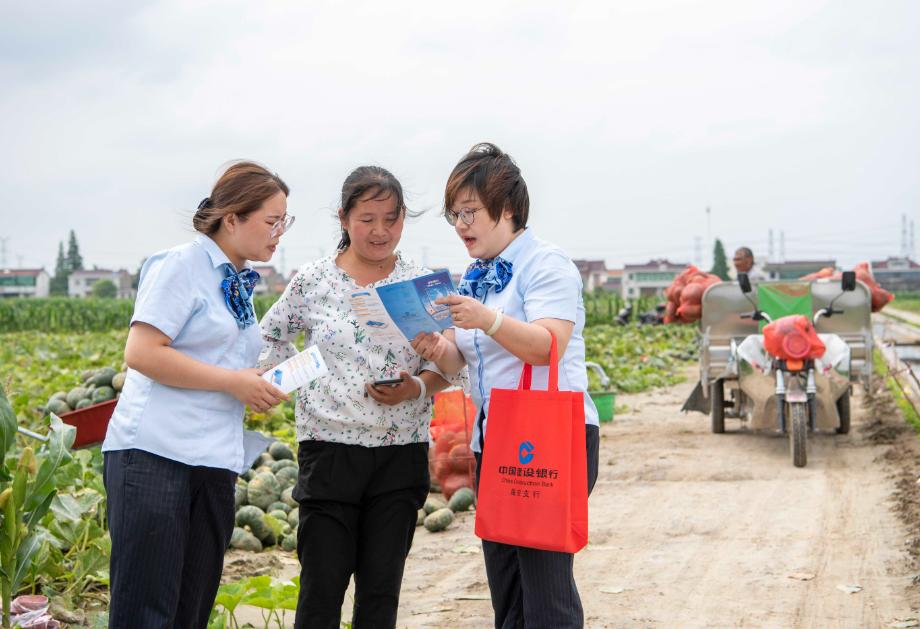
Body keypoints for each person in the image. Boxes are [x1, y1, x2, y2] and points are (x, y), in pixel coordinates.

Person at [412, 142, 600, 628]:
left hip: (550, 437)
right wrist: (436, 348)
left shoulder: (546, 263)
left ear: (509, 208)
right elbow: (461, 358)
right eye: (454, 214)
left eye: (470, 211)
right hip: (494, 438)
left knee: (545, 588)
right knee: (506, 584)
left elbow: (547, 347)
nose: (461, 225)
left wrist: (488, 319)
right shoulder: (474, 276)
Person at [259, 166, 453, 629]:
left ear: (404, 218)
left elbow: (452, 361)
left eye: (391, 218)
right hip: (328, 453)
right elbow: (270, 339)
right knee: (322, 591)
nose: (380, 231)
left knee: (381, 593)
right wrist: (296, 379)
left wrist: (419, 385)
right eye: (367, 218)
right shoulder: (313, 281)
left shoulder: (423, 285)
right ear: (344, 218)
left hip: (400, 453)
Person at [102, 161, 293, 628]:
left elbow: (218, 361)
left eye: (285, 222)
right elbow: (142, 353)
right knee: (146, 613)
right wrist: (234, 382)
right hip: (154, 456)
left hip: (212, 461)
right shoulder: (182, 264)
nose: (279, 233)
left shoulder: (238, 283)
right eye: (272, 221)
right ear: (232, 218)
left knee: (191, 611)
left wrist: (255, 380)